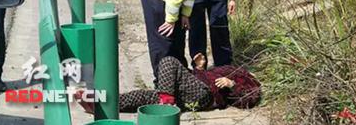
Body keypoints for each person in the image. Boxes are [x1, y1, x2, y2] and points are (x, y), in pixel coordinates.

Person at [76, 53, 261, 113]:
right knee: (142, 96)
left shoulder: (247, 79)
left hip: (205, 96)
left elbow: (250, 98)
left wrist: (232, 85)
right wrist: (200, 68)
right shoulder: (231, 68)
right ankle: (101, 106)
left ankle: (166, 102)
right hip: (192, 90)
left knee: (168, 62)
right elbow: (204, 78)